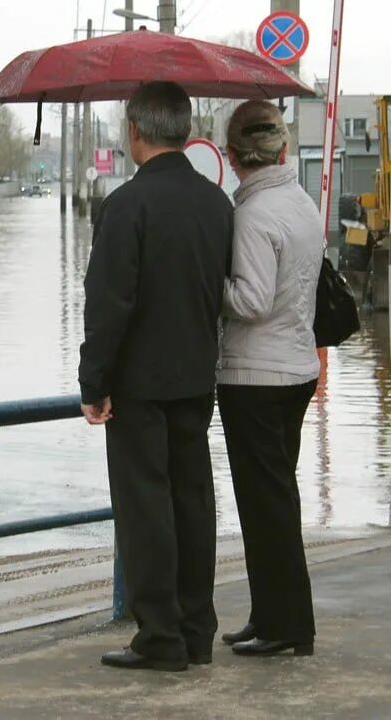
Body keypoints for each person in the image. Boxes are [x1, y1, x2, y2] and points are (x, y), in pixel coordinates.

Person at [79, 81, 233, 671]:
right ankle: (196, 633)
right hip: (198, 379)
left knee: (146, 509)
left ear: (135, 131)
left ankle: (159, 640)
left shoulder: (126, 206)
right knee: (194, 505)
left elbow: (109, 304)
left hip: (139, 386)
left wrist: (94, 384)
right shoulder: (216, 205)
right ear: (186, 131)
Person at [217, 100, 323, 657]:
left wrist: (213, 286)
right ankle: (270, 615)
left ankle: (288, 628)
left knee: (266, 505)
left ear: (234, 158)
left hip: (256, 375)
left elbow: (251, 302)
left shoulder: (254, 216)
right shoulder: (302, 202)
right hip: (297, 368)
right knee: (275, 499)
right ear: (282, 150)